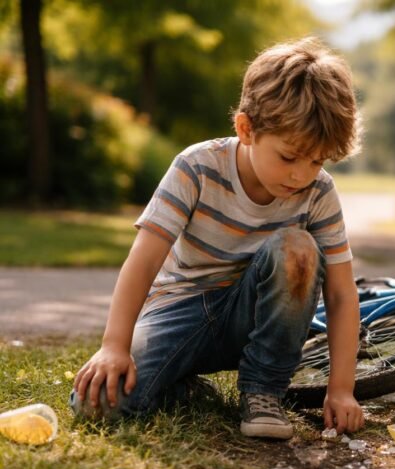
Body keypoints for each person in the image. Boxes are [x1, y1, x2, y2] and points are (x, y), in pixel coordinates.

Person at [72, 37, 365, 438]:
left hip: (254, 318)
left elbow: (342, 294)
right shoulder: (197, 167)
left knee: (298, 248)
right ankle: (185, 387)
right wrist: (114, 346)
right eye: (289, 156)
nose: (302, 175)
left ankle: (263, 392)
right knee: (98, 405)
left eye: (317, 160)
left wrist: (341, 389)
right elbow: (143, 260)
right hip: (181, 309)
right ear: (246, 129)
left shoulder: (319, 193)